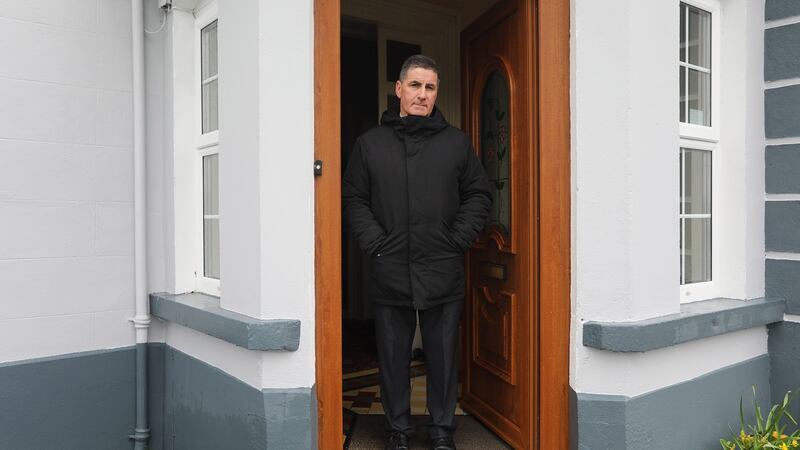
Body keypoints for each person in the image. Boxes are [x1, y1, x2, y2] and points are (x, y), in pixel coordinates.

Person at [343, 54, 491, 450]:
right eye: (415, 85)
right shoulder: (370, 144)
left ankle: (443, 433)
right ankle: (398, 432)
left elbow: (478, 195)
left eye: (429, 88)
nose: (422, 95)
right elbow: (354, 198)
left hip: (442, 268)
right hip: (389, 268)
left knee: (443, 359)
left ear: (435, 93)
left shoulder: (457, 143)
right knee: (392, 360)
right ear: (399, 89)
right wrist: (375, 243)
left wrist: (456, 239)